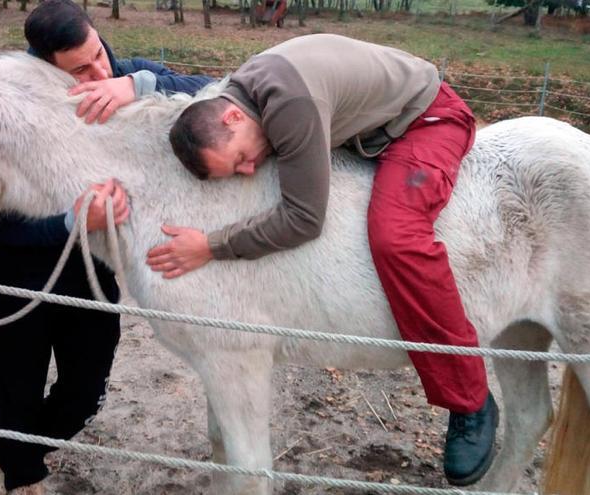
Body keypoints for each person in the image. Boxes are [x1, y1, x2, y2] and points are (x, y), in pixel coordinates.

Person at [158, 34, 498, 486]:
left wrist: (212, 245)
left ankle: (470, 399)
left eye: (239, 158)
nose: (247, 169)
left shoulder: (289, 106)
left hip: (428, 119)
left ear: (232, 114)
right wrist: (137, 83)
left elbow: (303, 219)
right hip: (377, 129)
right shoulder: (242, 92)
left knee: (397, 237)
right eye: (236, 170)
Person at [0, 2, 211, 494]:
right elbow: (6, 227)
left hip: (93, 275)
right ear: (45, 65)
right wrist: (73, 221)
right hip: (24, 277)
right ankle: (22, 478)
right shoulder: (18, 107)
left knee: (85, 397)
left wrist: (133, 85)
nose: (97, 71)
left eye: (98, 53)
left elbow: (208, 90)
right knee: (18, 395)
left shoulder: (122, 75)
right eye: (80, 68)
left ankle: (7, 457)